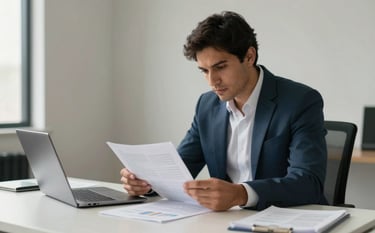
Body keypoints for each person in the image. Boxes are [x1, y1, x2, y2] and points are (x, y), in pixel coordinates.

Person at [120, 11, 327, 211]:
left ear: (249, 56)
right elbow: (178, 172)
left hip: (287, 219)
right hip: (225, 221)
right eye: (204, 71)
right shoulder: (207, 106)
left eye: (220, 67)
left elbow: (308, 182)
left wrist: (241, 194)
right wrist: (146, 184)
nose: (212, 81)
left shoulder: (300, 101)